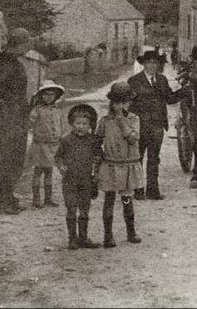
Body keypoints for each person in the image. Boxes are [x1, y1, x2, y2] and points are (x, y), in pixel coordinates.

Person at [0, 27, 33, 214]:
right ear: (20, 44)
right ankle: (3, 199)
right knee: (7, 156)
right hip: (9, 118)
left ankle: (8, 195)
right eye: (26, 43)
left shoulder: (13, 62)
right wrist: (13, 104)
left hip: (16, 115)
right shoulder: (7, 64)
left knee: (14, 156)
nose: (28, 46)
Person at [126, 49, 184, 200]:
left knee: (154, 158)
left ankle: (153, 190)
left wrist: (183, 92)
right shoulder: (134, 81)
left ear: (159, 65)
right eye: (149, 63)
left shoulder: (162, 80)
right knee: (138, 158)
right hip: (140, 126)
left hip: (158, 125)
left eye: (155, 63)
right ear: (143, 64)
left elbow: (169, 98)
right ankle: (138, 190)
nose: (152, 66)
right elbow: (129, 105)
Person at [96, 83, 143, 247]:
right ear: (111, 103)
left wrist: (122, 121)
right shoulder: (105, 121)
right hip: (110, 165)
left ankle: (131, 232)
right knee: (109, 199)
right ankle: (108, 236)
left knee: (127, 199)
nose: (120, 106)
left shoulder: (134, 119)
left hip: (127, 165)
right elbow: (97, 140)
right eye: (117, 103)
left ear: (130, 103)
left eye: (124, 103)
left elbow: (132, 138)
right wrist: (100, 155)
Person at [55, 105, 101, 249]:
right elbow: (58, 157)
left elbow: (99, 156)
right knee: (71, 209)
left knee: (85, 210)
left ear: (90, 125)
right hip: (70, 181)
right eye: (77, 124)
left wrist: (97, 169)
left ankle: (83, 237)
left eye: (84, 124)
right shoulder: (66, 140)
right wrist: (61, 166)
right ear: (72, 124)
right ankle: (72, 239)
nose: (81, 127)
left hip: (86, 181)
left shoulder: (92, 141)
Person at [27, 81, 67, 208]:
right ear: (41, 95)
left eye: (52, 95)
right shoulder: (37, 110)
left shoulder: (57, 110)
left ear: (56, 96)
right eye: (46, 94)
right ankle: (36, 198)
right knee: (38, 171)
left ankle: (48, 198)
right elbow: (29, 123)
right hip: (40, 145)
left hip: (53, 145)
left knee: (49, 171)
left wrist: (60, 139)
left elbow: (60, 126)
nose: (49, 97)